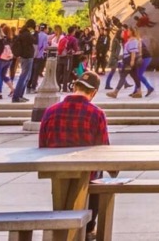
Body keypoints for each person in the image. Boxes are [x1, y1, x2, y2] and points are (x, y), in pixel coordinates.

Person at [39, 70, 112, 234]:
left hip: (57, 171)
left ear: (74, 88)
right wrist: (114, 171)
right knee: (97, 177)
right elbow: (104, 149)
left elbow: (42, 144)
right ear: (93, 92)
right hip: (87, 173)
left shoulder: (50, 111)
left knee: (64, 183)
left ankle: (62, 224)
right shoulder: (97, 113)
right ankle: (89, 227)